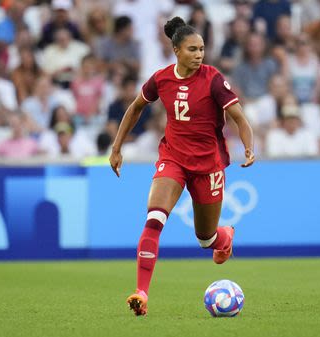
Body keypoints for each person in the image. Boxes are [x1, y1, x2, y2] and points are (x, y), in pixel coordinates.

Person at [108, 17, 255, 316]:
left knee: (206, 239)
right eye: (192, 49)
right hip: (173, 158)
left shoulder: (213, 79)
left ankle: (224, 236)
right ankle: (141, 293)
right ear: (176, 50)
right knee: (154, 219)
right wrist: (116, 147)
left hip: (208, 166)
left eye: (201, 49)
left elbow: (239, 117)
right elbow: (135, 107)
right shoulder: (161, 78)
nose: (199, 54)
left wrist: (249, 146)